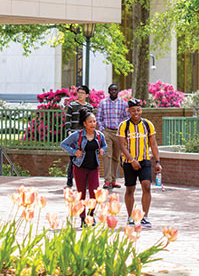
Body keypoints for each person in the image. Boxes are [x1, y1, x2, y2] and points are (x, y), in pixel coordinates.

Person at [117, 98, 162, 229]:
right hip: (129, 162)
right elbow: (121, 146)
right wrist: (131, 160)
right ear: (128, 111)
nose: (136, 112)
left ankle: (145, 217)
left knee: (147, 186)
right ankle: (130, 217)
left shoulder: (148, 124)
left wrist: (158, 162)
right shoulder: (124, 126)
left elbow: (153, 144)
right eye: (133, 110)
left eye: (138, 110)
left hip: (144, 160)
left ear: (141, 110)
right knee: (130, 189)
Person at [61, 107, 107, 227]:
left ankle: (91, 216)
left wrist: (102, 150)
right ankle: (82, 218)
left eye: (94, 121)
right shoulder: (77, 135)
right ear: (85, 124)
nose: (93, 124)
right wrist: (74, 151)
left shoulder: (99, 135)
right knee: (81, 194)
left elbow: (105, 146)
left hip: (93, 167)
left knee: (94, 193)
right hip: (80, 167)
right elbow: (64, 144)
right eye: (90, 122)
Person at [96, 84, 128, 189]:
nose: (113, 91)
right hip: (107, 132)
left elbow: (126, 118)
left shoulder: (123, 104)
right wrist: (102, 130)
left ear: (118, 91)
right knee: (107, 156)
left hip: (118, 133)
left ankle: (113, 181)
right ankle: (107, 181)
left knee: (116, 157)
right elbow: (99, 118)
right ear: (109, 91)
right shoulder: (103, 103)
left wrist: (123, 131)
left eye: (115, 89)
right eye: (111, 90)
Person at [64, 85, 94, 188]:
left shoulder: (90, 107)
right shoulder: (72, 106)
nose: (80, 95)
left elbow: (91, 121)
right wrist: (69, 132)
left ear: (87, 95)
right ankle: (69, 181)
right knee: (73, 158)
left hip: (85, 135)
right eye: (78, 92)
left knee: (85, 158)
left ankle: (84, 182)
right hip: (74, 135)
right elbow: (68, 120)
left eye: (82, 93)